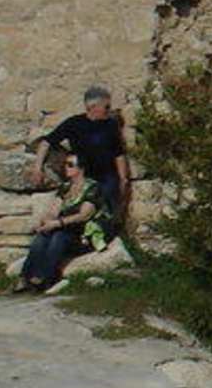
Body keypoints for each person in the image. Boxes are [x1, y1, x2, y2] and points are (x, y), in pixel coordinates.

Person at [32, 84, 131, 233]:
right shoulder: (74, 123)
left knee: (106, 213)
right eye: (106, 107)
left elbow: (118, 153)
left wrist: (123, 178)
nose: (108, 110)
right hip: (84, 177)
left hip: (107, 178)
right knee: (78, 212)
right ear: (93, 107)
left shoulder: (110, 125)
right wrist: (37, 169)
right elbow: (46, 142)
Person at [13, 151, 110, 293]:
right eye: (65, 164)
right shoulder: (65, 188)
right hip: (64, 229)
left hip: (83, 234)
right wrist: (46, 220)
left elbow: (84, 215)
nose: (66, 167)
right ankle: (25, 277)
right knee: (42, 237)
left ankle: (44, 278)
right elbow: (53, 210)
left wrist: (58, 223)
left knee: (59, 237)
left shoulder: (93, 188)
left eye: (70, 164)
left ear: (81, 168)